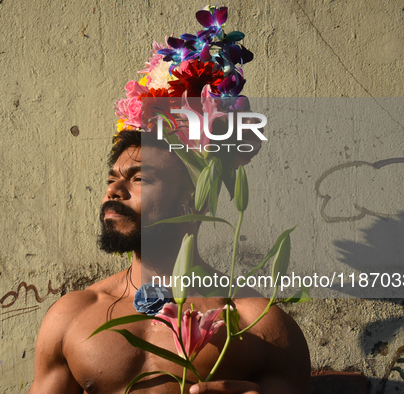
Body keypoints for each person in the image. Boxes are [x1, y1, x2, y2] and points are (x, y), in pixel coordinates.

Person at [29, 130, 311, 394]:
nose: (113, 191)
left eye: (139, 179)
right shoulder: (72, 314)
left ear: (193, 201)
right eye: (111, 179)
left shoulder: (256, 323)